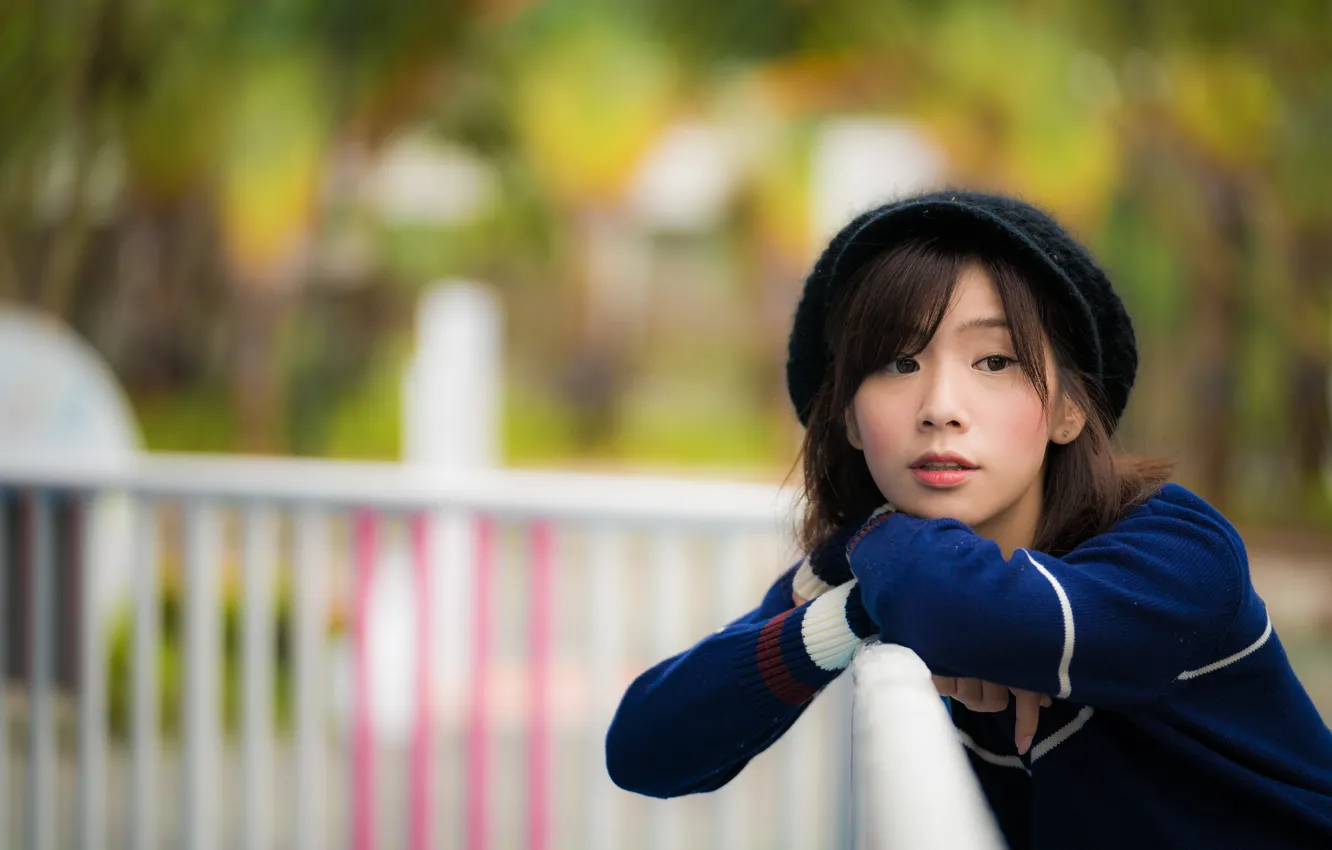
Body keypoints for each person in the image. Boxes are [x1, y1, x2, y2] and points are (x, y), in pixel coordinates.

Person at [604, 190, 1332, 848]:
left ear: (1072, 408)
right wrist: (850, 615)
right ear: (850, 420)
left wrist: (898, 588)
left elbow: (950, 604)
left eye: (995, 362)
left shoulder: (1179, 553)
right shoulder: (881, 570)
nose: (940, 406)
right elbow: (645, 747)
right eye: (896, 362)